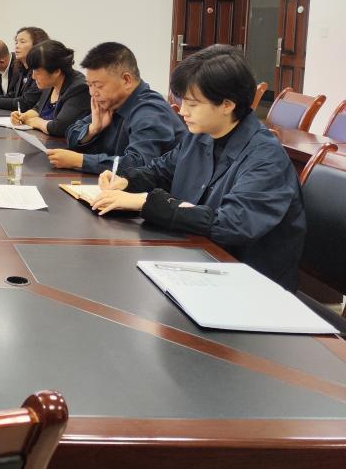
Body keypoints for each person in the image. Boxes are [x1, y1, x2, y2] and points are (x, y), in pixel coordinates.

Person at [91, 45, 304, 289]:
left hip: (248, 282)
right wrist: (126, 181)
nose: (182, 111)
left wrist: (146, 202)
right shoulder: (201, 136)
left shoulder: (266, 157)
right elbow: (161, 171)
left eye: (192, 104)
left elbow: (232, 224)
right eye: (182, 101)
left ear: (227, 104)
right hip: (197, 261)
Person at [47, 42, 186, 173]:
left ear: (126, 80)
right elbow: (71, 134)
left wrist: (80, 161)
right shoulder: (111, 103)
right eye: (89, 85)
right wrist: (92, 129)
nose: (93, 93)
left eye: (99, 86)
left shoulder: (150, 111)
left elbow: (138, 164)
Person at [11, 40, 90, 136]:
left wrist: (36, 122)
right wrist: (24, 116)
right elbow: (38, 108)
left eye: (37, 72)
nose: (33, 77)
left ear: (56, 72)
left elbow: (59, 128)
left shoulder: (79, 88)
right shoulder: (51, 83)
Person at [0, 26, 49, 111]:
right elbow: (16, 96)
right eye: (16, 42)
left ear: (37, 45)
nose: (17, 46)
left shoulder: (42, 71)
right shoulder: (23, 69)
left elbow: (26, 103)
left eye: (22, 42)